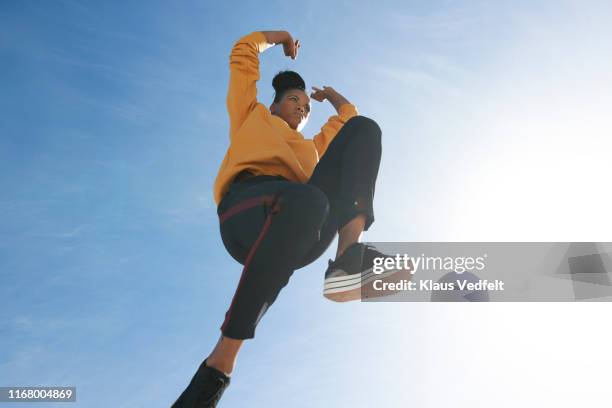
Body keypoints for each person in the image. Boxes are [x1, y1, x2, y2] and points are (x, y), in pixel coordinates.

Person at [172, 30, 389, 407]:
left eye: (306, 107)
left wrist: (331, 97)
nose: (302, 109)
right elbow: (243, 51)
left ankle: (347, 262)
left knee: (364, 129)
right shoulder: (250, 114)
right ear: (274, 105)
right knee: (305, 199)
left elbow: (348, 120)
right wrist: (282, 37)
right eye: (295, 101)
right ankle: (222, 361)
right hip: (246, 212)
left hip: (298, 225)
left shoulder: (310, 148)